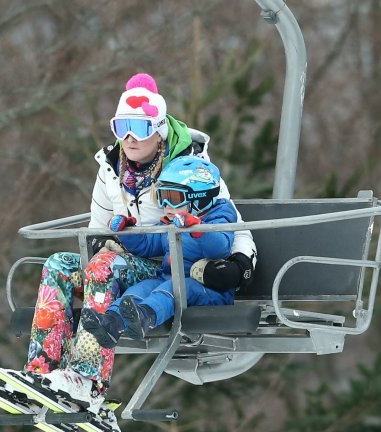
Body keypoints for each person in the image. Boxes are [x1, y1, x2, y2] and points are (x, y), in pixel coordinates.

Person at [24, 72, 256, 411]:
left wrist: (239, 266)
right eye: (121, 128)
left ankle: (87, 379)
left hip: (162, 264)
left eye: (141, 128)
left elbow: (231, 221)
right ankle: (41, 371)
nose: (129, 139)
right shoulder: (110, 167)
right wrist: (107, 241)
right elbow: (97, 227)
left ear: (159, 129)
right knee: (60, 264)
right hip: (126, 256)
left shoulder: (190, 167)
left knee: (104, 267)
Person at [81, 156, 236, 347]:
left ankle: (146, 317)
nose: (166, 207)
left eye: (173, 198)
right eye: (161, 198)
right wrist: (127, 232)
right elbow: (148, 246)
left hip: (209, 288)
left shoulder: (220, 215)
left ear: (199, 198)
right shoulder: (169, 221)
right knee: (139, 289)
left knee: (172, 289)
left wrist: (197, 228)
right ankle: (110, 324)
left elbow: (221, 247)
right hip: (169, 277)